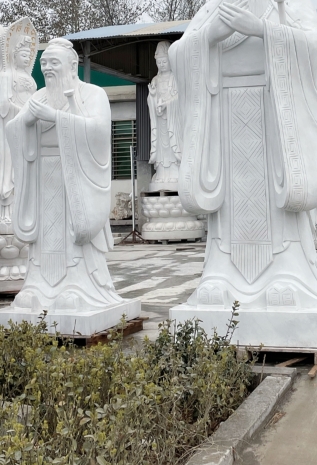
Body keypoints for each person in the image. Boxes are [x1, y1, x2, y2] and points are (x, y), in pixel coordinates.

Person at [168, 0, 317, 312]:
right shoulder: (211, 9)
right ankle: (220, 273)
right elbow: (180, 53)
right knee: (230, 206)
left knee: (276, 205)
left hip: (275, 120)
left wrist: (262, 29)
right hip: (225, 123)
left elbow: (312, 47)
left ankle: (287, 272)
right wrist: (209, 37)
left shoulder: (291, 3)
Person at [5, 37, 123, 315]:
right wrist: (26, 122)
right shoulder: (38, 97)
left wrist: (57, 117)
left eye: (54, 63)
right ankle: (37, 286)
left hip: (76, 181)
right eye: (44, 63)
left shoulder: (94, 94)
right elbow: (13, 129)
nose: (47, 68)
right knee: (44, 240)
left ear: (72, 66)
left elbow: (99, 132)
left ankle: (79, 285)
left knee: (72, 241)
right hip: (43, 179)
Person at [0, 19, 38, 231]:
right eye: (23, 54)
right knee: (10, 169)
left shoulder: (30, 78)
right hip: (10, 129)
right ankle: (7, 212)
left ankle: (26, 211)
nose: (27, 57)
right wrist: (24, 112)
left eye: (28, 55)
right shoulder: (6, 76)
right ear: (12, 54)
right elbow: (3, 106)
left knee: (28, 168)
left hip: (29, 128)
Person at [147, 40, 182, 190]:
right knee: (162, 148)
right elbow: (151, 100)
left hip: (173, 121)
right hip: (160, 120)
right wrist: (153, 96)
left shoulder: (176, 78)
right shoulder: (155, 80)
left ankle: (175, 173)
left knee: (172, 146)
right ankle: (161, 174)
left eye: (164, 61)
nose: (161, 64)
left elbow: (181, 98)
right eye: (159, 62)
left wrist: (168, 104)